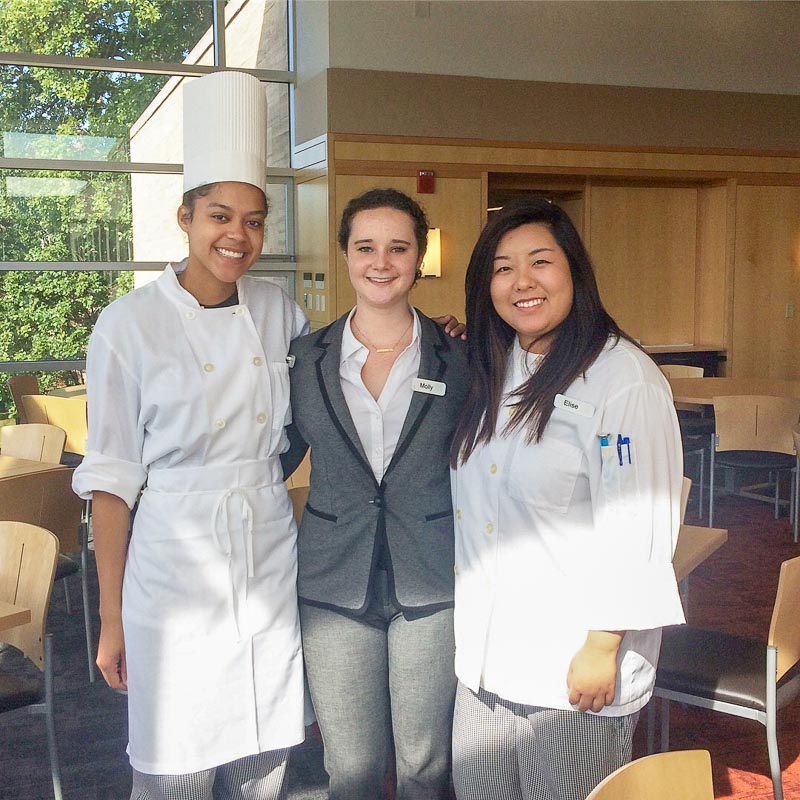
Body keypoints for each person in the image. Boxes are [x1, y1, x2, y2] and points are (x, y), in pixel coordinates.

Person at [72, 71, 309, 799]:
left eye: (254, 219)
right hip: (172, 568)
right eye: (218, 215)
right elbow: (111, 483)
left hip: (268, 554)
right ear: (185, 218)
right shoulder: (129, 325)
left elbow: (344, 380)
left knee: (265, 770)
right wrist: (111, 621)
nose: (237, 235)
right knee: (170, 775)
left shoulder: (280, 312)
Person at [449, 198, 686, 800]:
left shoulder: (623, 381)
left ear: (574, 271)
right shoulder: (496, 368)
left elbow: (638, 523)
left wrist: (603, 645)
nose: (521, 282)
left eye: (540, 262)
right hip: (485, 655)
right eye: (502, 268)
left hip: (569, 661)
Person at [282, 188, 468, 800]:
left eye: (398, 247)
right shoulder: (304, 361)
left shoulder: (461, 357)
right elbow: (271, 458)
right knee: (353, 767)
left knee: (424, 764)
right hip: (335, 581)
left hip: (433, 576)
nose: (381, 262)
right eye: (365, 247)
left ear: (419, 259)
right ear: (344, 255)